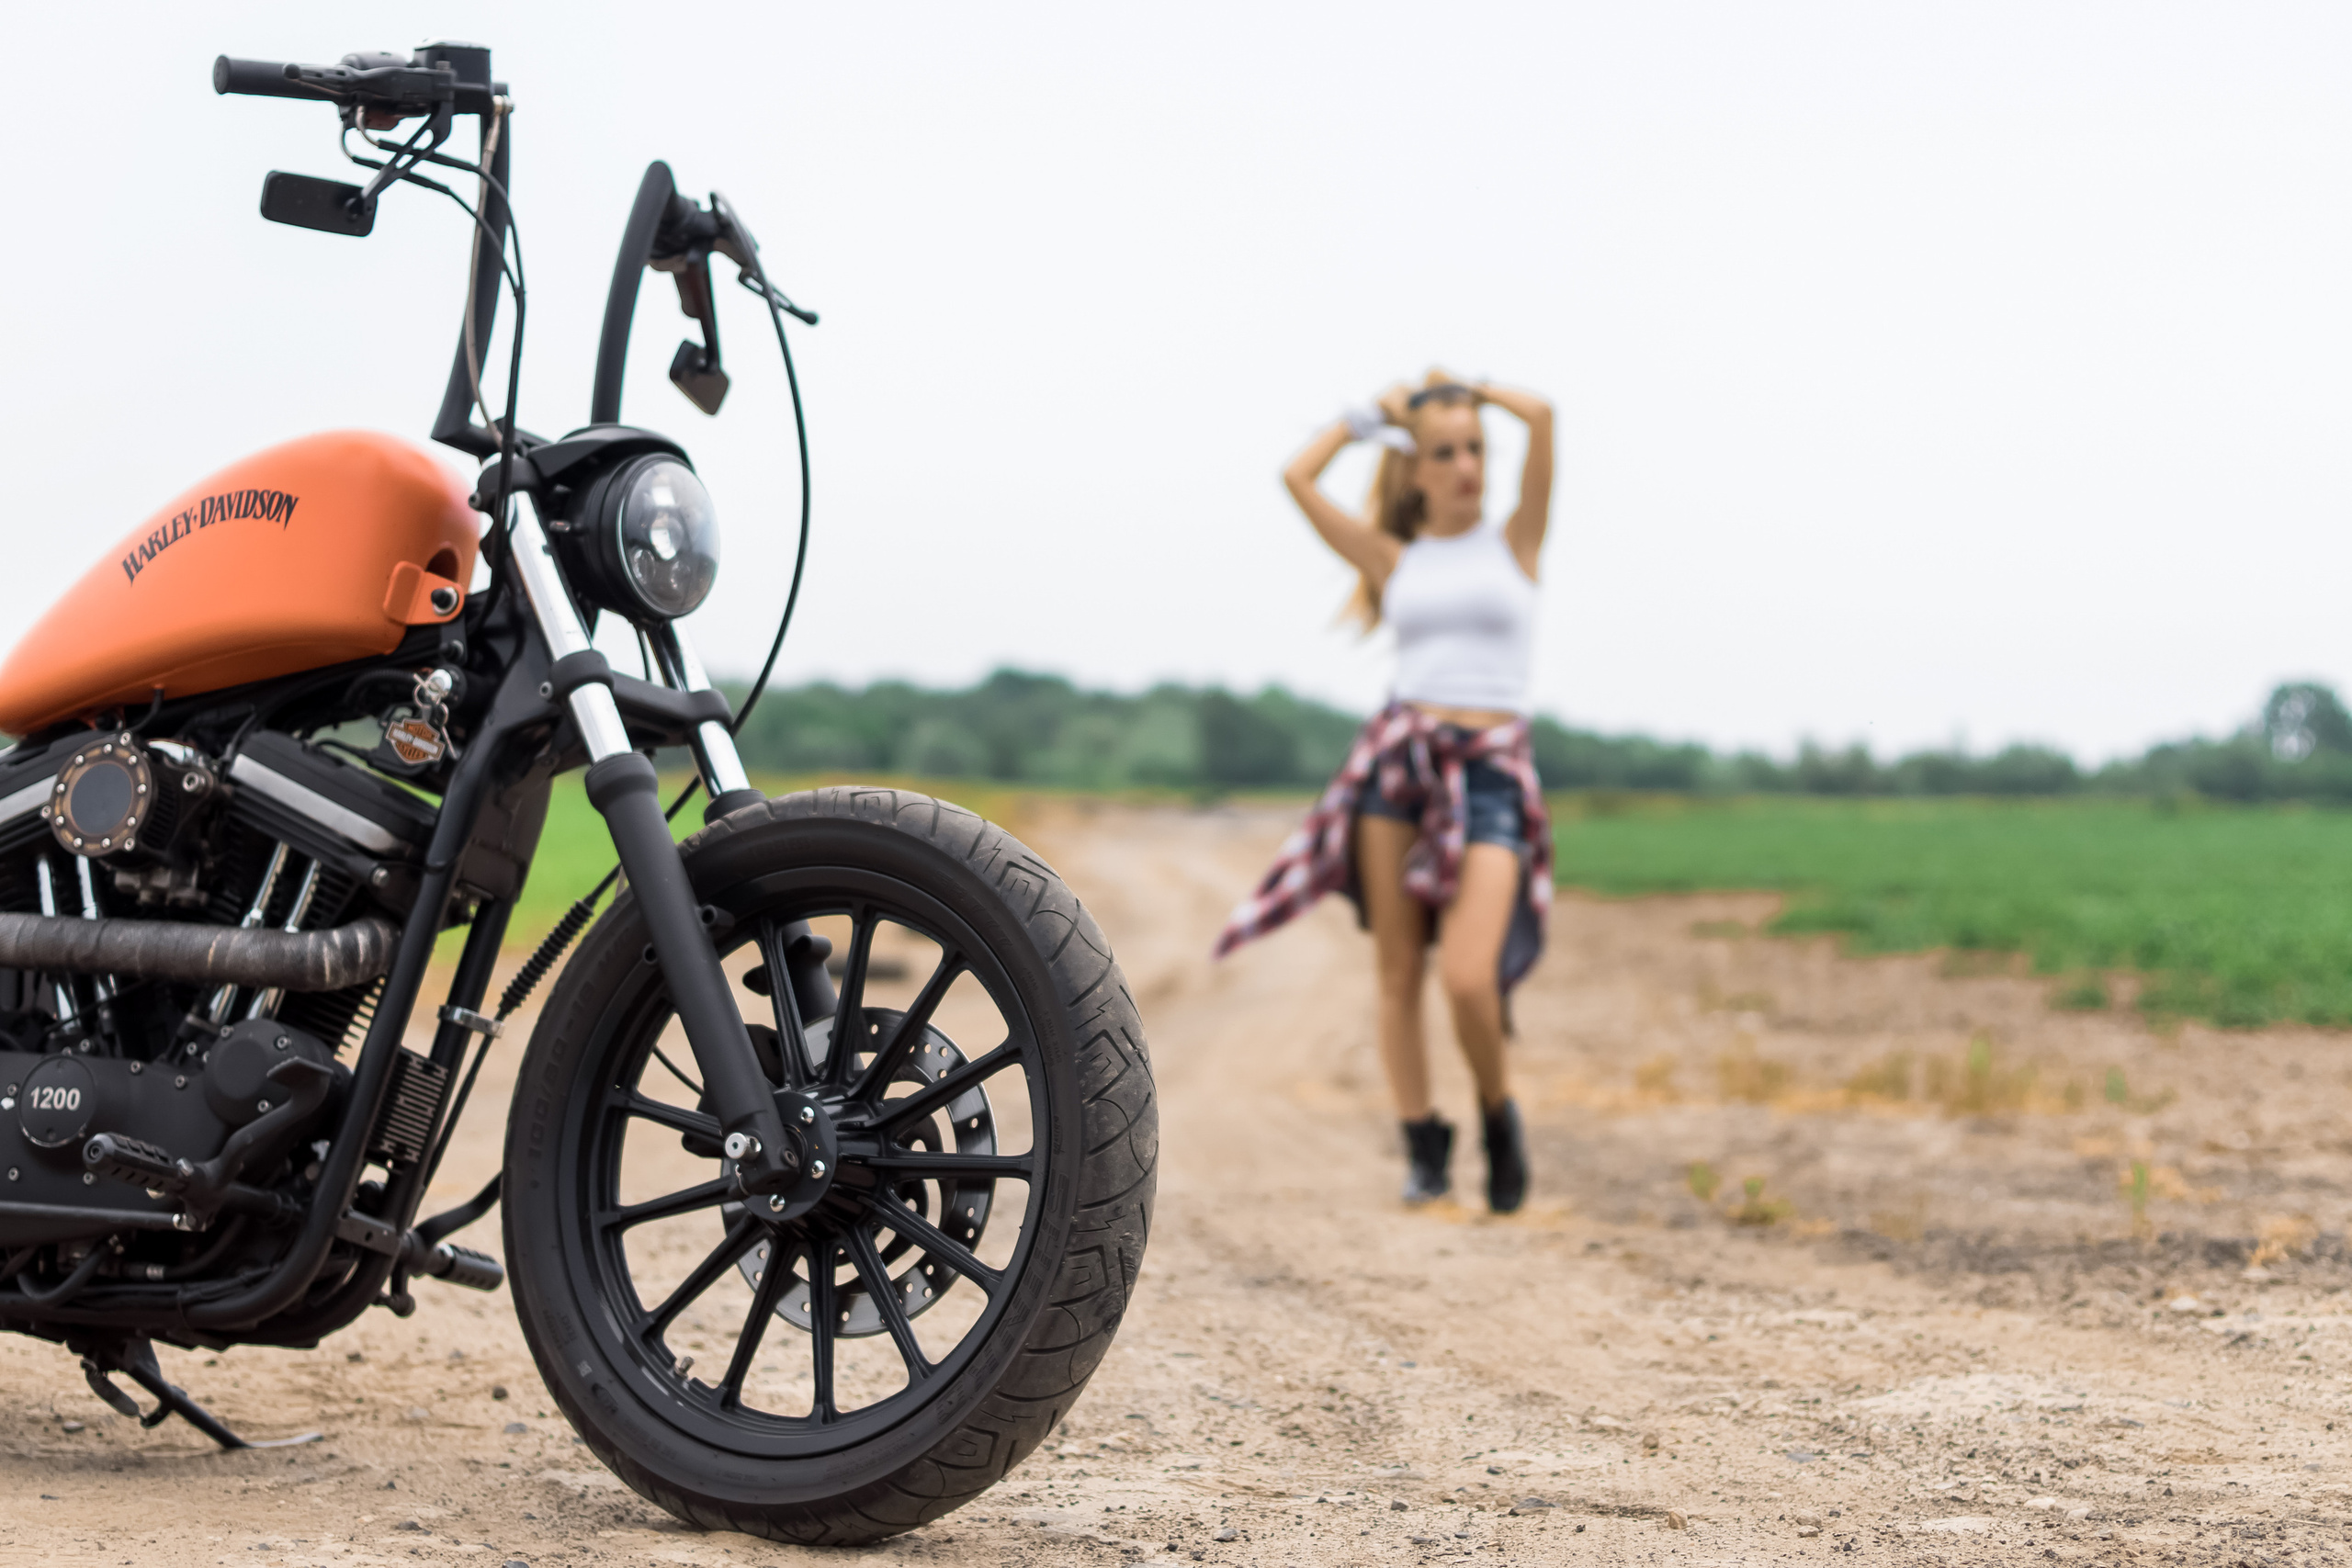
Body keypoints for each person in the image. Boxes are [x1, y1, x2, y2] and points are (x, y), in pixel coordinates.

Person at [1215, 372, 1555, 1213]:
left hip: (1491, 772)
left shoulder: (1517, 542)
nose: (1466, 466)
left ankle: (1496, 1112)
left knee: (1470, 977)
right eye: (1444, 452)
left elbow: (1544, 415)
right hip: (1399, 765)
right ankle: (1422, 1144)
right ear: (1416, 472)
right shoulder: (1394, 557)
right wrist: (1366, 420)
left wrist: (1471, 388)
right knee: (1398, 971)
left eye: (1475, 448)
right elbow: (1296, 478)